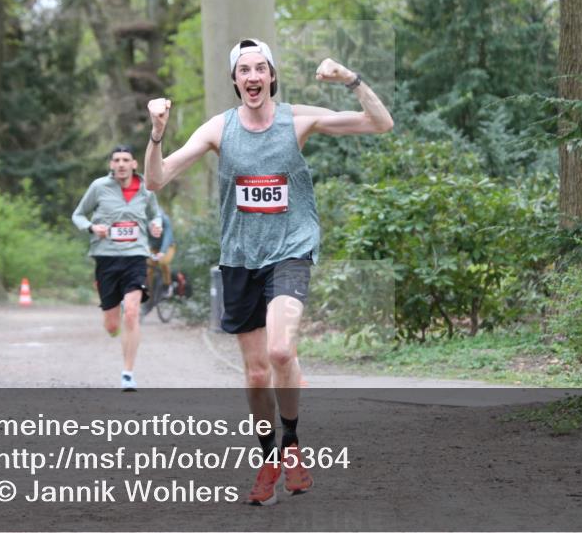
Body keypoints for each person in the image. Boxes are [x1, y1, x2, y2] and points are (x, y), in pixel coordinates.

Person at [144, 38, 393, 506]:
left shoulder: (296, 119)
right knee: (257, 375)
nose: (253, 77)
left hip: (291, 250)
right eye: (244, 70)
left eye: (261, 68)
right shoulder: (219, 129)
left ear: (272, 76)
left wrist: (351, 80)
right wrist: (156, 133)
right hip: (240, 259)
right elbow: (156, 179)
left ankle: (293, 443)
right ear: (235, 80)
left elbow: (381, 123)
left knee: (281, 350)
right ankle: (268, 458)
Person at [72, 145, 159, 391]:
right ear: (111, 165)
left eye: (126, 160)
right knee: (112, 324)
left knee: (132, 311)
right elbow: (78, 215)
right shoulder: (99, 187)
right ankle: (114, 326)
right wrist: (91, 227)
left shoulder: (146, 189)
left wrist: (156, 225)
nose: (121, 164)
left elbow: (156, 215)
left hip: (136, 256)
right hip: (106, 258)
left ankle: (128, 373)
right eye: (117, 160)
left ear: (134, 164)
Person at [146, 209, 176, 297]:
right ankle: (148, 290)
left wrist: (162, 251)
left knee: (163, 262)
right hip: (153, 246)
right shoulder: (144, 220)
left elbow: (168, 235)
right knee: (149, 267)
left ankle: (167, 286)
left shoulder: (165, 220)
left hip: (168, 246)